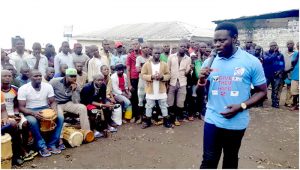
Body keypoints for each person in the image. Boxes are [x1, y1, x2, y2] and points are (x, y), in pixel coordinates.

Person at [198, 22, 267, 169]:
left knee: (230, 160)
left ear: (234, 39)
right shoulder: (209, 62)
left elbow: (262, 92)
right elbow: (200, 93)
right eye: (215, 41)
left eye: (222, 40)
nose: (217, 44)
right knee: (209, 160)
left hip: (236, 122)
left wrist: (241, 106)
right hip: (212, 119)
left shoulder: (251, 62)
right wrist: (202, 80)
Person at [18, 69, 64, 157]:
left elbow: (53, 101)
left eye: (39, 76)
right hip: (30, 110)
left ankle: (52, 144)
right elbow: (21, 107)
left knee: (60, 117)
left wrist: (54, 110)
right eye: (35, 76)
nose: (38, 77)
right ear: (30, 77)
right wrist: (33, 113)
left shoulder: (47, 86)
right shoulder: (23, 89)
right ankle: (41, 146)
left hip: (45, 108)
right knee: (33, 121)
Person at [1, 70, 37, 164]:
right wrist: (9, 117)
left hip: (14, 112)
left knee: (25, 123)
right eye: (4, 76)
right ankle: (20, 151)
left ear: (12, 78)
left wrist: (16, 114)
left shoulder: (16, 89)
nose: (7, 78)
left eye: (9, 76)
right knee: (13, 125)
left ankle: (25, 147)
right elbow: (2, 110)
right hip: (4, 115)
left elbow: (17, 104)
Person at [140, 47, 172, 128]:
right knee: (149, 106)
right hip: (151, 89)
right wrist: (151, 77)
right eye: (155, 53)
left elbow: (168, 75)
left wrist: (162, 77)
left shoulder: (164, 64)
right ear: (152, 54)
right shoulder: (147, 64)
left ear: (160, 54)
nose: (157, 55)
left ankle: (166, 122)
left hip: (161, 89)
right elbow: (142, 75)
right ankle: (147, 122)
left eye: (158, 53)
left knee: (164, 105)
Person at [167, 41, 191, 126]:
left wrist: (190, 69)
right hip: (172, 82)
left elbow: (186, 74)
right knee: (170, 101)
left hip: (182, 82)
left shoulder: (188, 59)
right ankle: (170, 118)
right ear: (178, 47)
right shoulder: (171, 57)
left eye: (185, 47)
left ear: (186, 48)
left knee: (180, 102)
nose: (183, 48)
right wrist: (167, 83)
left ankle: (177, 117)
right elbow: (168, 70)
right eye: (181, 46)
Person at [263, 42, 285, 108]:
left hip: (276, 75)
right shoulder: (266, 53)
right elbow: (267, 60)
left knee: (275, 90)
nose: (274, 47)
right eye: (272, 46)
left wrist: (279, 71)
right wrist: (275, 53)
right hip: (267, 75)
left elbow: (282, 64)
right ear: (270, 46)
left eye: (275, 46)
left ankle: (275, 103)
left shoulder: (280, 55)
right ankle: (259, 102)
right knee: (263, 89)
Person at [135, 43, 152, 123]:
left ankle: (148, 118)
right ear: (141, 49)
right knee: (140, 101)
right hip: (141, 82)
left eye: (147, 47)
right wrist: (147, 69)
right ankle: (140, 118)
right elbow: (138, 70)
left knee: (149, 101)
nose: (145, 49)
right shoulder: (139, 58)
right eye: (144, 47)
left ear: (149, 49)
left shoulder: (151, 58)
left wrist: (143, 69)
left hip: (150, 82)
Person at [126, 40, 140, 123]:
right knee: (134, 99)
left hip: (142, 79)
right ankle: (135, 116)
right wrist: (129, 84)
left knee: (142, 98)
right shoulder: (130, 56)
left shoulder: (143, 55)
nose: (135, 46)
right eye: (133, 44)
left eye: (136, 44)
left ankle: (142, 116)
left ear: (139, 45)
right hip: (133, 79)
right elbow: (128, 70)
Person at [283, 40, 296, 107]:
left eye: (291, 43)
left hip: (292, 73)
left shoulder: (296, 54)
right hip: (283, 73)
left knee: (290, 88)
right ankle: (275, 102)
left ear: (293, 45)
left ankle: (287, 102)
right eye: (288, 44)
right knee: (279, 88)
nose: (290, 45)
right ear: (286, 45)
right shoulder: (283, 54)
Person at [290, 42, 299, 111]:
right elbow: (292, 63)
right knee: (294, 92)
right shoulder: (296, 54)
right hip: (295, 76)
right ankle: (295, 105)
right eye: (298, 46)